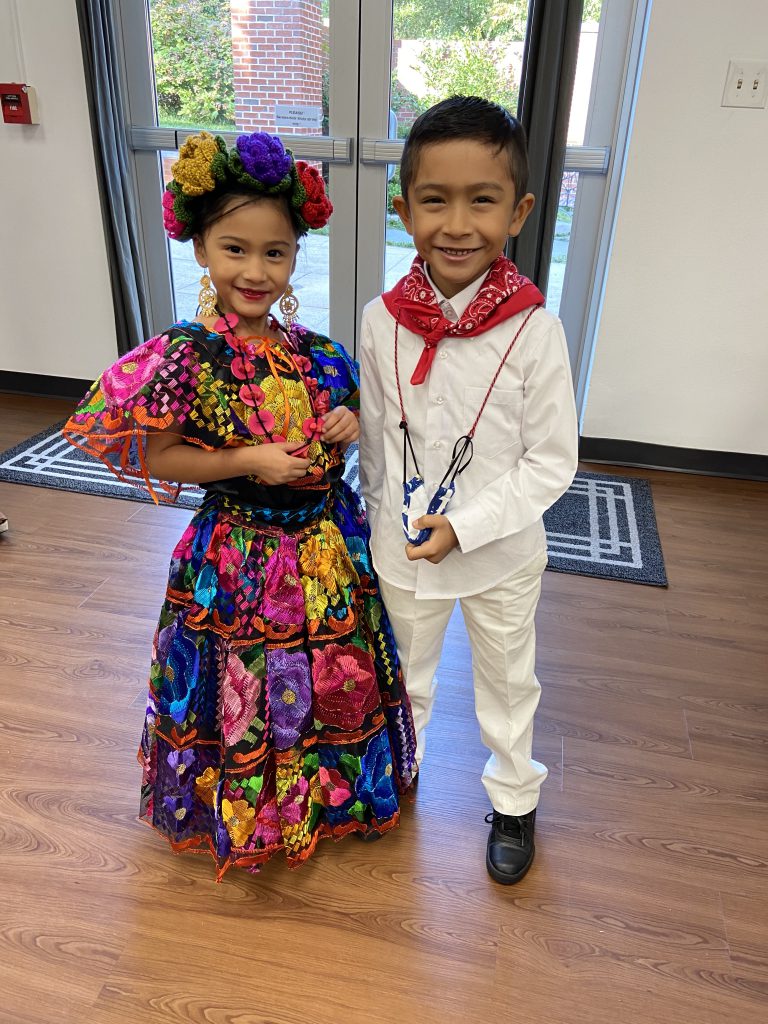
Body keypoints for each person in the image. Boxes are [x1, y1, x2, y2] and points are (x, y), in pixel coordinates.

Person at [64, 131, 418, 880]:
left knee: (328, 678)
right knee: (249, 685)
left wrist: (344, 429)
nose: (255, 271)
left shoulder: (318, 354)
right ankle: (252, 810)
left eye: (275, 253)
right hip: (239, 556)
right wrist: (248, 460)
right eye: (234, 249)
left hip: (324, 549)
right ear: (199, 250)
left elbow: (336, 441)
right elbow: (162, 458)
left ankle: (327, 798)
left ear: (295, 256)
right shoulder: (185, 358)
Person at [359, 96, 578, 885]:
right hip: (405, 546)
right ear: (404, 207)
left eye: (481, 200)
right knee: (404, 673)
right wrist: (381, 524)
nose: (457, 223)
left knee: (507, 680)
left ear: (517, 211)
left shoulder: (533, 329)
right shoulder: (379, 320)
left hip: (501, 555)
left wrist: (467, 525)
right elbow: (382, 440)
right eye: (435, 200)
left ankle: (513, 797)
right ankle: (399, 775)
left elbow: (551, 463)